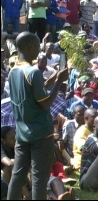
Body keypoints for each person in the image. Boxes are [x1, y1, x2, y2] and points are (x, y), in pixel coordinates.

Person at [7, 32, 69, 200]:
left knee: (17, 176)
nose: (39, 50)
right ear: (29, 47)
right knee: (39, 179)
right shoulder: (33, 72)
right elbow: (46, 103)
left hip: (22, 133)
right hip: (41, 133)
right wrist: (59, 82)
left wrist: (50, 80)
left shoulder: (13, 72)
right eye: (37, 46)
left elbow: (31, 95)